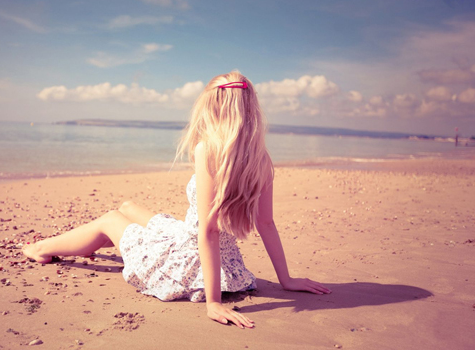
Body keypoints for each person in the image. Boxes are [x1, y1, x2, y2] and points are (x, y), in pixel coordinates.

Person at [23, 71, 331, 329]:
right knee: (128, 207)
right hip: (226, 261)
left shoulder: (208, 149)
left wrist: (213, 302)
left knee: (109, 219)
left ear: (212, 107)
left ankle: (39, 249)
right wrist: (286, 279)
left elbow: (208, 231)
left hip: (190, 258)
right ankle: (94, 243)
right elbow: (266, 223)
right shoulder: (260, 157)